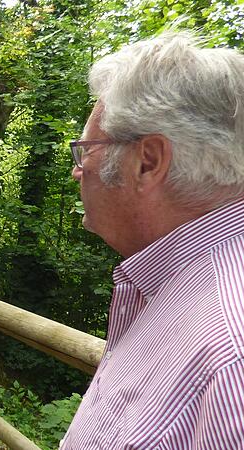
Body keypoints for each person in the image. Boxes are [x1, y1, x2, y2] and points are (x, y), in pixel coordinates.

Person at [61, 32, 244, 448]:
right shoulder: (174, 286)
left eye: (86, 150)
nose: (78, 171)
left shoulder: (230, 355)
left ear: (147, 162)